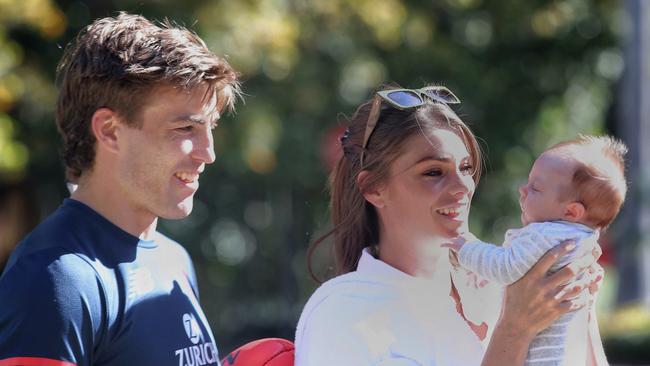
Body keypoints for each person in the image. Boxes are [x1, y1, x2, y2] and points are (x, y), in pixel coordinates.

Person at [295, 85, 603, 366]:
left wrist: (578, 307)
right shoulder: (344, 312)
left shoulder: (510, 289)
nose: (463, 186)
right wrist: (514, 331)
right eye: (433, 172)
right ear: (374, 188)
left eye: (466, 168)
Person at [0, 12, 240, 366]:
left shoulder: (175, 259)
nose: (209, 153)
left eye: (210, 127)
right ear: (110, 130)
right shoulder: (56, 279)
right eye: (185, 129)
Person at [446, 135, 625, 365]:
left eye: (536, 188)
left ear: (571, 212)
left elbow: (504, 267)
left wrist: (465, 247)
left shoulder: (545, 235)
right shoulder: (585, 240)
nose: (523, 190)